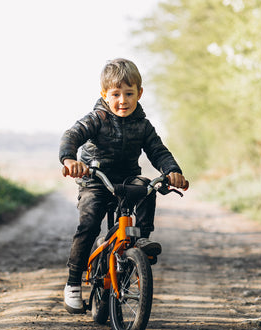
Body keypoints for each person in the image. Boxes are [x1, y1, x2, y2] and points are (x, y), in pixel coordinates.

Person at [59, 58, 188, 314]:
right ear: (104, 95)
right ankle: (73, 282)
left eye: (129, 94)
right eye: (116, 94)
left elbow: (158, 151)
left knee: (147, 188)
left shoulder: (143, 125)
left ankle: (139, 242)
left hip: (127, 178)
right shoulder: (97, 118)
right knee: (90, 221)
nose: (123, 100)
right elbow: (72, 135)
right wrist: (70, 159)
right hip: (95, 178)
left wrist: (172, 171)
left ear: (139, 94)